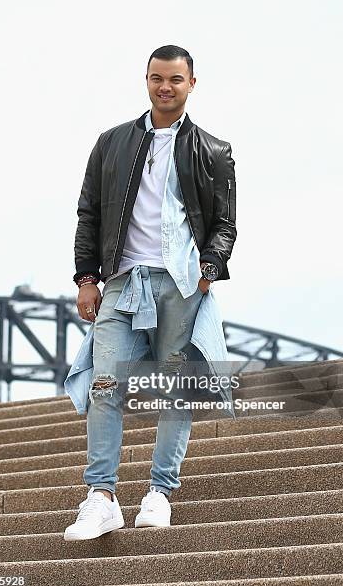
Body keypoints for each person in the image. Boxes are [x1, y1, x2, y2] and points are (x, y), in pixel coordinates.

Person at [63, 44, 237, 541]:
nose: (165, 87)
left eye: (175, 80)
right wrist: (86, 278)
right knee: (105, 386)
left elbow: (225, 223)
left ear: (191, 84)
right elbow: (89, 214)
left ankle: (160, 492)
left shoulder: (214, 150)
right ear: (146, 80)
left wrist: (208, 268)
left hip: (181, 284)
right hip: (121, 283)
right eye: (157, 78)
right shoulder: (112, 142)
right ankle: (101, 497)